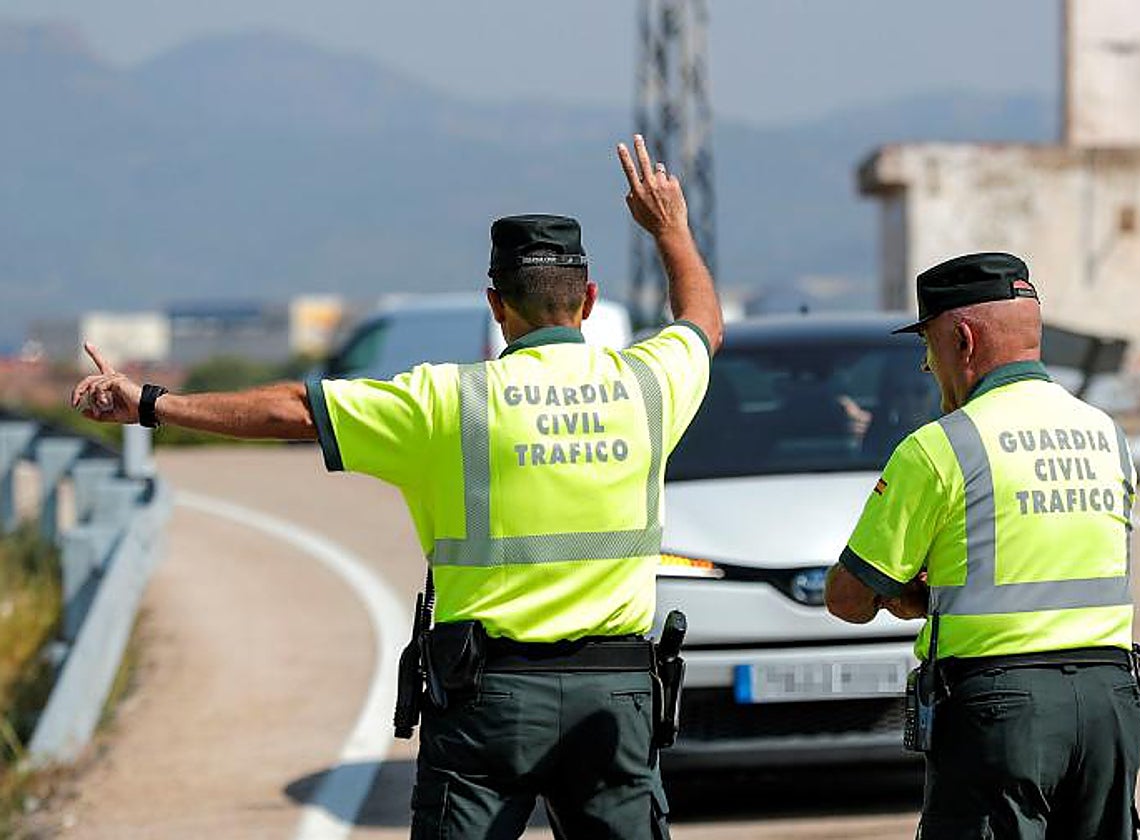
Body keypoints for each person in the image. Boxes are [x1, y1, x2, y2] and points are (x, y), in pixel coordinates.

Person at [71, 134, 722, 839]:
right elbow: (702, 325)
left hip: (489, 702)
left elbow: (295, 409)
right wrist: (671, 229)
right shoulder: (650, 385)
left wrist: (149, 404)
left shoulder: (448, 401)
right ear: (588, 300)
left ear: (495, 305)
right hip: (615, 698)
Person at [823, 253, 1140, 839]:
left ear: (962, 340)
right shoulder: (1109, 436)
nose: (927, 365)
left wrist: (910, 596)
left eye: (929, 346)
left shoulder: (942, 447)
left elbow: (848, 599)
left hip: (1002, 711)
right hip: (1111, 704)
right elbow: (1051, 563)